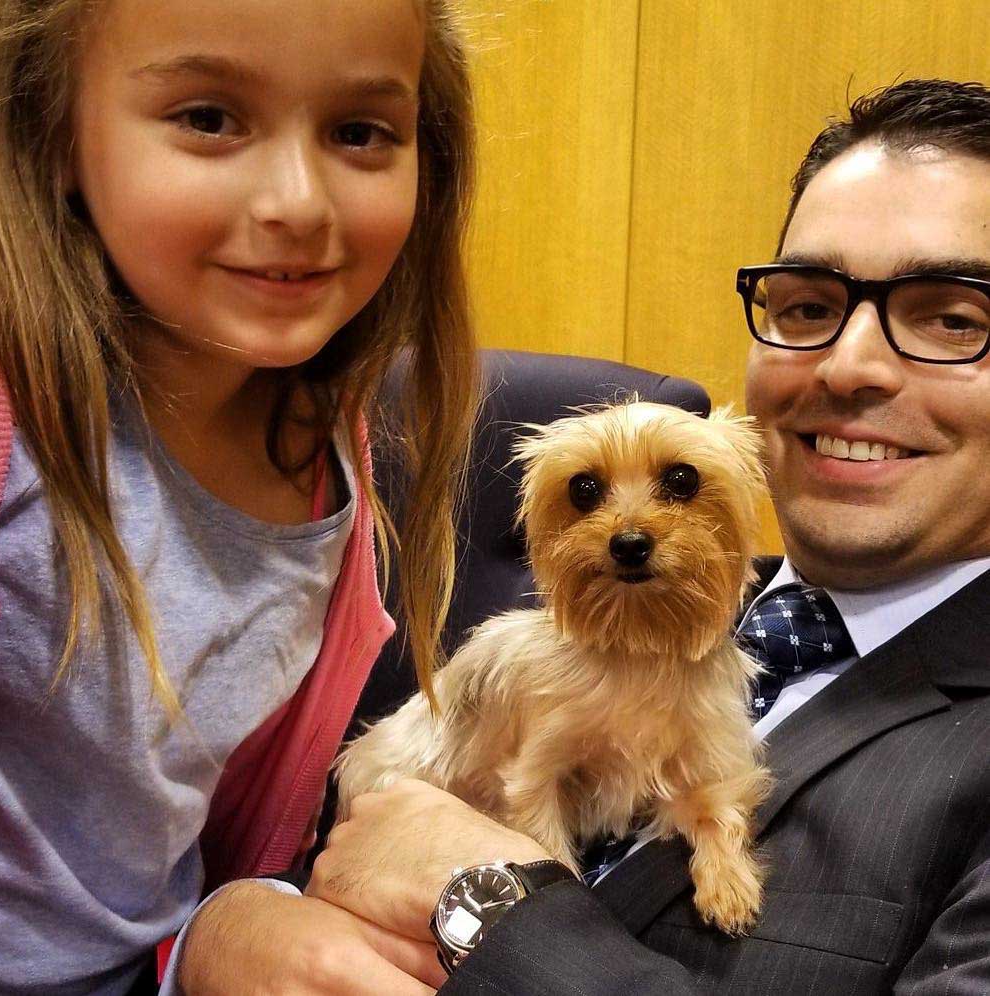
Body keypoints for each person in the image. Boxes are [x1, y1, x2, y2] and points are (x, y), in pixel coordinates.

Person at [303, 78, 990, 993]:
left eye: (955, 320)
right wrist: (226, 927)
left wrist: (493, 905)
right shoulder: (551, 625)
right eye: (809, 307)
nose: (848, 365)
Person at [0, 1, 477, 993]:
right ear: (51, 133)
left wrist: (226, 935)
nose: (299, 202)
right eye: (208, 117)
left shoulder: (325, 450)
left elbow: (196, 865)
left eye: (358, 132)